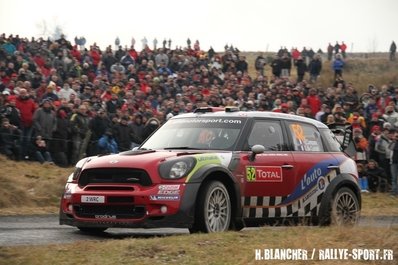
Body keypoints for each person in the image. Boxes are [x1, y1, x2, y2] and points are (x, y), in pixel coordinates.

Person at [389, 131, 398, 196]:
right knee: (394, 178)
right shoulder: (393, 143)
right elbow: (390, 148)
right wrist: (394, 140)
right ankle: (394, 191)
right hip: (393, 162)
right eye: (396, 136)